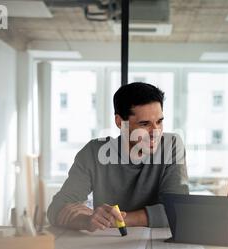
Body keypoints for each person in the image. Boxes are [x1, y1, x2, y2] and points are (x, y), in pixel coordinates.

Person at [47, 82, 189, 232]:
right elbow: (56, 209)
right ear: (120, 122)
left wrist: (118, 220)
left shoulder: (172, 145)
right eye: (145, 124)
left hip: (158, 244)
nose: (156, 132)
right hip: (108, 246)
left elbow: (179, 210)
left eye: (159, 121)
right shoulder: (94, 152)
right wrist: (87, 221)